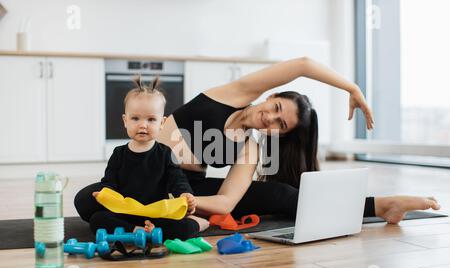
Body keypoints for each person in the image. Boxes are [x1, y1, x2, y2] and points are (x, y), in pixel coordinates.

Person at [76, 57, 441, 230]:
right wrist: (351, 87)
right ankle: (152, 218)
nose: (272, 118)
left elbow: (225, 201)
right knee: (84, 199)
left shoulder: (250, 149)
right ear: (271, 96)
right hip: (141, 174)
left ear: (281, 134)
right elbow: (302, 64)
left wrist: (180, 202)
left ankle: (382, 205)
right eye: (277, 108)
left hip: (180, 191)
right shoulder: (232, 94)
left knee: (281, 195)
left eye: (282, 124)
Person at [74, 76, 209, 241]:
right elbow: (109, 181)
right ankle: (137, 230)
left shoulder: (165, 153)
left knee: (185, 228)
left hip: (156, 213)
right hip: (127, 213)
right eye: (135, 118)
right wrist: (104, 193)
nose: (143, 125)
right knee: (97, 220)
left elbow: (177, 180)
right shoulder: (119, 154)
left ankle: (198, 223)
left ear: (162, 123)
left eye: (151, 119)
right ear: (125, 121)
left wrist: (185, 195)